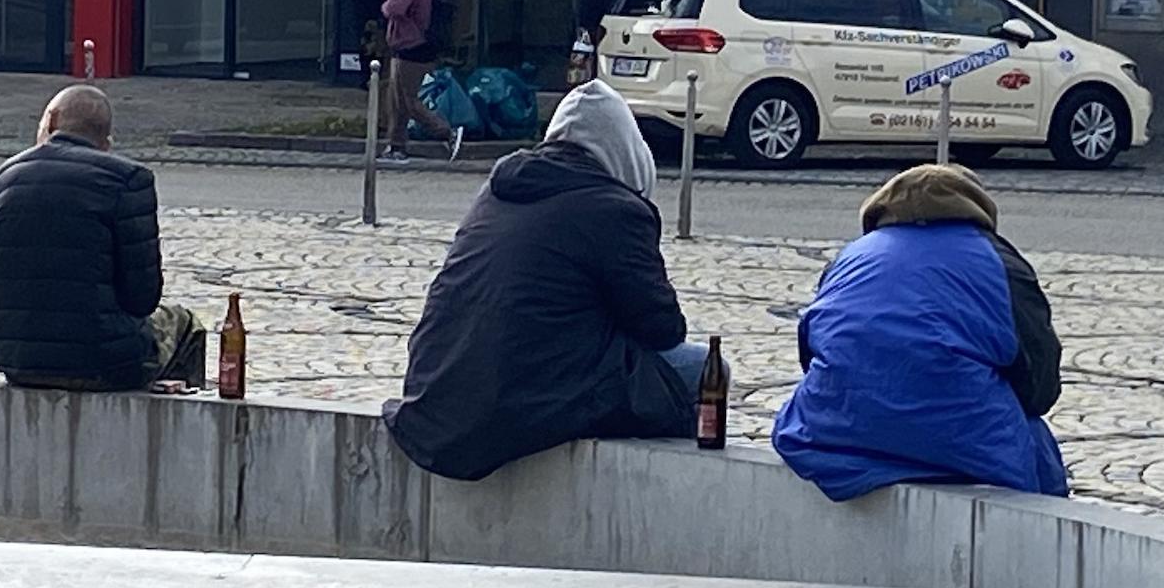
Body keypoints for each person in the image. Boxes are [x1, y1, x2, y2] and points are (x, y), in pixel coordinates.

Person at [384, 80, 715, 481]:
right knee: (707, 370)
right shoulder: (615, 210)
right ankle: (685, 497)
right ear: (628, 151)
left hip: (437, 393)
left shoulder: (497, 189)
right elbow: (663, 329)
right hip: (522, 396)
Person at [772, 164, 1066, 499]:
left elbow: (814, 350)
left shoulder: (850, 257)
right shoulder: (999, 262)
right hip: (965, 449)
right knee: (1036, 446)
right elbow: (1040, 383)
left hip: (828, 437)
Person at [0, 86, 207, 391]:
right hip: (100, 362)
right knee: (185, 323)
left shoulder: (7, 176)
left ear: (53, 120)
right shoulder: (127, 179)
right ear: (106, 143)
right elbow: (142, 298)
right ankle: (168, 427)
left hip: (15, 358)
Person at [380, 0, 463, 163]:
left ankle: (446, 132)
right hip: (421, 45)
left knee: (407, 101)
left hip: (410, 46)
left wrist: (386, 4)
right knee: (397, 100)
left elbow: (393, 9)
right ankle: (396, 145)